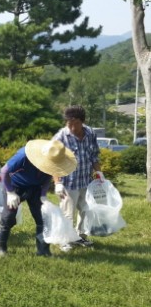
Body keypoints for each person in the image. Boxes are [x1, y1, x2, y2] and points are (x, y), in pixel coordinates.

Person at [0, 139, 77, 257]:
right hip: (15, 186)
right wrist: (10, 192)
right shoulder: (23, 155)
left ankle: (43, 250)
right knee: (8, 217)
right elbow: (3, 172)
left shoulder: (55, 160)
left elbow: (47, 177)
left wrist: (43, 196)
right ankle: (1, 248)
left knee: (43, 218)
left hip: (35, 189)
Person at [52, 106, 102, 249]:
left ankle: (80, 237)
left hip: (86, 180)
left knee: (87, 210)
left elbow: (94, 155)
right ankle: (65, 240)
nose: (72, 127)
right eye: (69, 124)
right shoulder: (61, 136)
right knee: (67, 213)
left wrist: (99, 174)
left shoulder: (90, 133)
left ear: (82, 122)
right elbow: (53, 161)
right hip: (68, 182)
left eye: (75, 123)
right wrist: (57, 182)